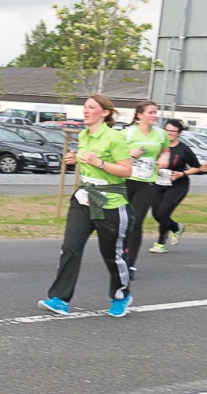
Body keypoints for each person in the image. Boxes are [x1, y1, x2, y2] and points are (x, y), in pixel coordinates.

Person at [39, 94, 134, 318]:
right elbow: (87, 163)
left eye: (91, 107)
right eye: (84, 107)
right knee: (70, 247)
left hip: (110, 204)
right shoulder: (83, 135)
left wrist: (99, 162)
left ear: (105, 112)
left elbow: (126, 171)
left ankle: (121, 295)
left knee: (112, 255)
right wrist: (76, 159)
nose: (85, 110)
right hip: (84, 199)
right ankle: (60, 299)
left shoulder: (114, 138)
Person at [121, 101, 170, 277]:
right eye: (150, 112)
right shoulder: (127, 133)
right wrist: (129, 153)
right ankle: (120, 254)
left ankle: (130, 263)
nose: (154, 116)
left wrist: (164, 157)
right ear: (139, 115)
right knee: (121, 221)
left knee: (136, 222)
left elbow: (165, 150)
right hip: (126, 180)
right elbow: (114, 153)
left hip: (147, 182)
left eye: (155, 112)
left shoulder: (160, 133)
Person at [149, 118, 201, 253]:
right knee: (156, 214)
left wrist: (181, 174)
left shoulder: (184, 149)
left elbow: (197, 168)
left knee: (163, 212)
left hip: (178, 185)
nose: (169, 133)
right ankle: (176, 228)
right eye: (167, 130)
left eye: (173, 131)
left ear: (179, 133)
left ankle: (160, 243)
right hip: (159, 183)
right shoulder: (158, 146)